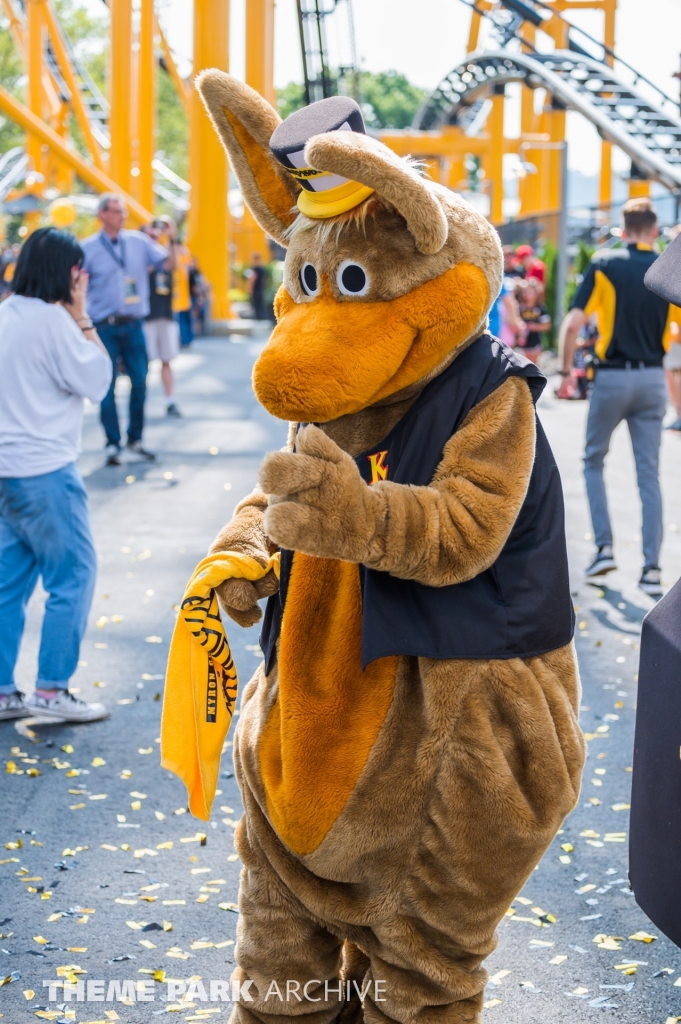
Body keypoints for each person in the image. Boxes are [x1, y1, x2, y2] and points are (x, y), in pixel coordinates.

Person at [0, 228, 112, 723]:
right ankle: (51, 689)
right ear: (68, 274)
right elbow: (98, 381)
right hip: (45, 471)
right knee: (73, 577)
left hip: (5, 473)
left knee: (8, 586)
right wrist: (82, 316)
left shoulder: (4, 314)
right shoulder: (54, 323)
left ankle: (4, 691)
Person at [556, 197, 681, 595]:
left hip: (611, 379)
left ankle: (605, 548)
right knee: (650, 474)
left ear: (624, 230)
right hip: (652, 380)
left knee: (593, 461)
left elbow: (574, 324)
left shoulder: (605, 264)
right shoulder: (667, 268)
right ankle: (651, 569)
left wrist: (564, 373)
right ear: (655, 230)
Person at [81, 194, 171, 466]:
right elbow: (77, 284)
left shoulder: (138, 242)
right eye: (116, 211)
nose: (122, 215)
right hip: (103, 327)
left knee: (141, 381)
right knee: (106, 386)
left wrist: (172, 238)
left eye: (122, 211)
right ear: (102, 214)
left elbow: (168, 264)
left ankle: (136, 438)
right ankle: (112, 443)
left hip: (133, 325)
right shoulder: (86, 248)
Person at [142, 222, 182, 418]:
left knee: (166, 360)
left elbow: (173, 264)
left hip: (164, 315)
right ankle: (140, 400)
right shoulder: (140, 258)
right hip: (145, 317)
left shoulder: (163, 256)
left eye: (156, 237)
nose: (154, 240)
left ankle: (170, 400)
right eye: (150, 237)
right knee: (143, 363)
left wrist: (171, 237)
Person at [516, 278, 552, 364]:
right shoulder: (519, 308)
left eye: (530, 292)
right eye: (526, 292)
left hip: (535, 342)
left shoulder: (540, 308)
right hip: (522, 344)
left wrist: (534, 327)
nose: (528, 294)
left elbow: (547, 325)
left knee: (534, 365)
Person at [171, 230, 195, 349]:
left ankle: (185, 340)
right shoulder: (185, 255)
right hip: (184, 295)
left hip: (181, 295)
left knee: (182, 320)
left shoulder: (180, 257)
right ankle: (186, 339)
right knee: (184, 319)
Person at [246, 251, 267, 321]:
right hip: (261, 288)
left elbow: (253, 279)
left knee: (256, 305)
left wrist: (250, 288)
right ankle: (261, 318)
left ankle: (258, 318)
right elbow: (264, 279)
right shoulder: (262, 268)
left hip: (256, 289)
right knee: (260, 304)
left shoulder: (256, 269)